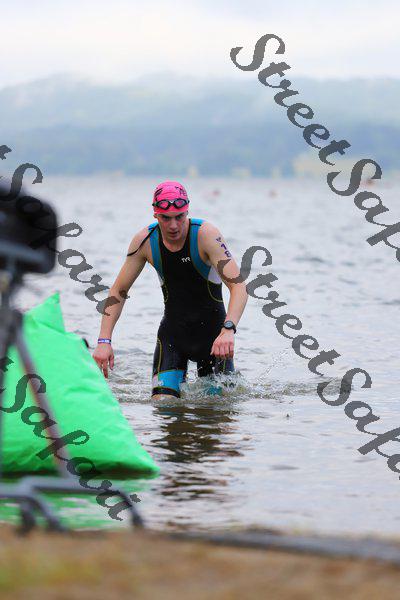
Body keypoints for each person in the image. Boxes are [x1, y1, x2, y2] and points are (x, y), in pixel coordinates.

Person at [93, 181, 248, 399]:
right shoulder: (145, 241)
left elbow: (238, 286)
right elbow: (118, 291)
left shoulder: (206, 235)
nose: (173, 225)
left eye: (179, 217)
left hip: (215, 339)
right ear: (156, 215)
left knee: (216, 412)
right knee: (162, 406)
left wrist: (228, 329)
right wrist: (104, 341)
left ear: (187, 211)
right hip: (173, 336)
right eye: (166, 218)